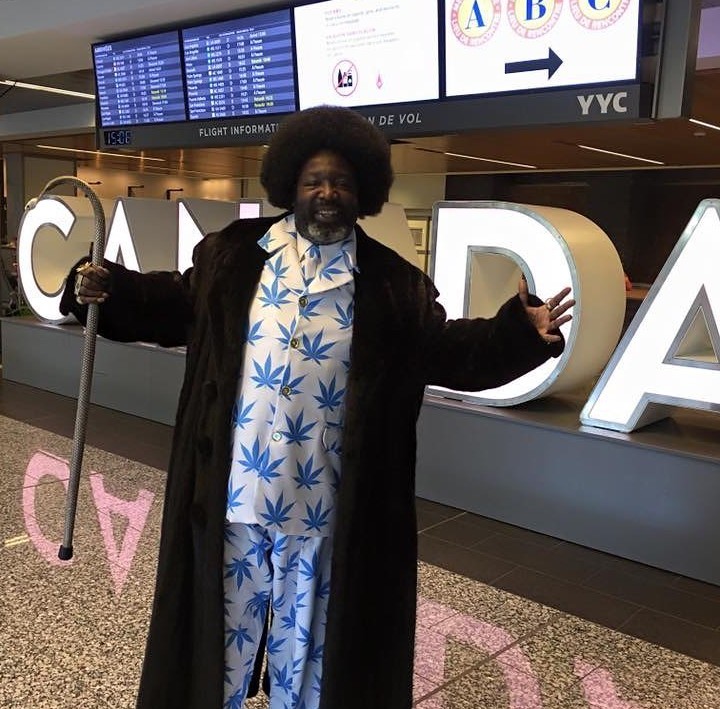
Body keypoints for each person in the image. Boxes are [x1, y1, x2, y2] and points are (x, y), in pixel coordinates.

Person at [61, 105, 574, 709]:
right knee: (214, 646)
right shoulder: (231, 258)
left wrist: (518, 333)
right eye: (313, 181)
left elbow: (450, 352)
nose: (327, 193)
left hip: (326, 510)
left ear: (364, 192)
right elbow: (171, 304)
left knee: (309, 665)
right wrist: (106, 289)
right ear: (289, 188)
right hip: (231, 500)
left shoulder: (393, 286)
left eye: (342, 182)